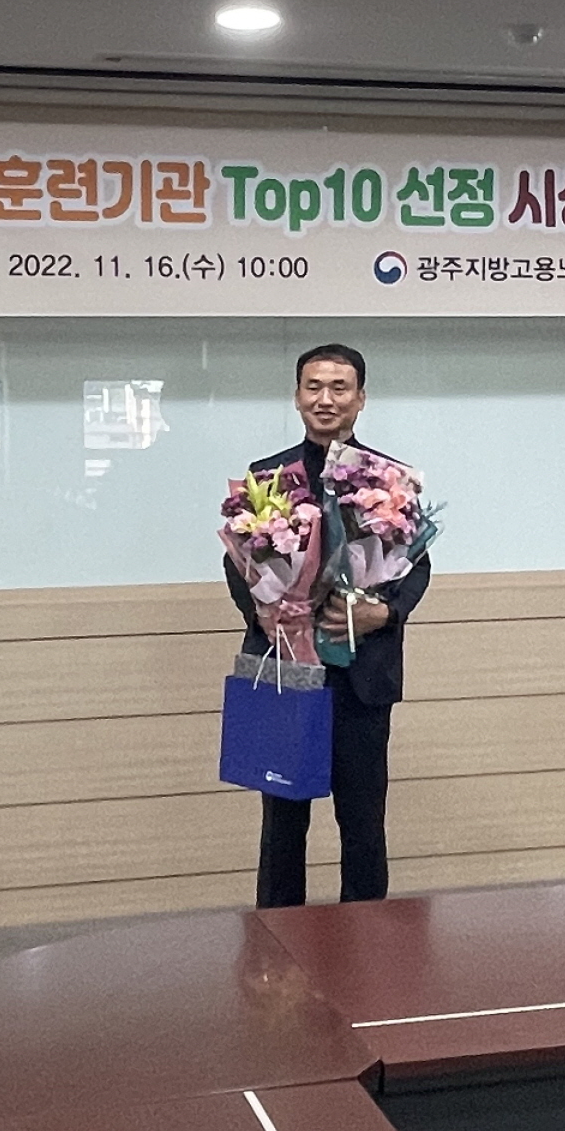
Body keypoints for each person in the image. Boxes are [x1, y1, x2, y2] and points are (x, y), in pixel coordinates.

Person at [223, 343, 431, 907]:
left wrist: (383, 612)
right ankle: (277, 941)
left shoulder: (389, 479)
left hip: (362, 677)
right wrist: (268, 612)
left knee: (363, 825)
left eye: (340, 388)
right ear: (297, 397)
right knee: (282, 827)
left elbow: (416, 565)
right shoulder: (269, 479)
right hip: (288, 673)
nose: (325, 399)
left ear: (360, 399)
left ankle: (365, 944)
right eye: (313, 386)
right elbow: (238, 563)